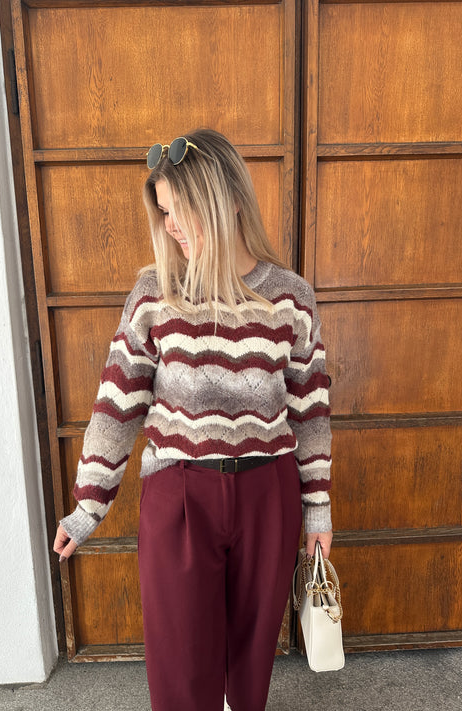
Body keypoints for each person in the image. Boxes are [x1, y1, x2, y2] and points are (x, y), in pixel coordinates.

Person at [54, 128, 333, 711]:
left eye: (182, 210)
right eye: (163, 212)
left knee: (250, 662)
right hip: (179, 497)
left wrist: (318, 512)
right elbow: (117, 404)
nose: (171, 226)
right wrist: (87, 506)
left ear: (228, 201)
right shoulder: (154, 293)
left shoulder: (291, 298)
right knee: (181, 669)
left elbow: (310, 414)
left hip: (268, 494)